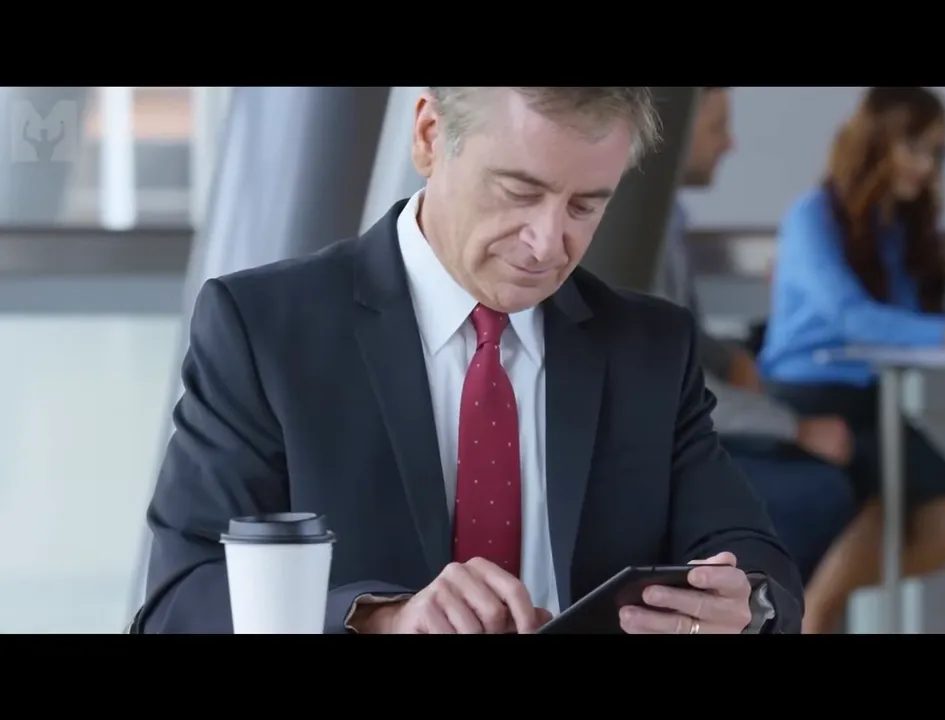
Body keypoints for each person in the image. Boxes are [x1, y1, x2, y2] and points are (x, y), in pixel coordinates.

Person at [136, 87, 803, 635]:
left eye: (584, 206)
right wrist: (380, 620)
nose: (549, 242)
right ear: (429, 135)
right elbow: (178, 603)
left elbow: (758, 565)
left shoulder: (649, 348)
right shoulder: (265, 330)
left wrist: (744, 605)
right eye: (519, 192)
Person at [759, 87, 945, 635]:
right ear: (876, 141)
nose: (927, 166)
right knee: (885, 499)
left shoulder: (896, 228)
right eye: (916, 147)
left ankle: (815, 605)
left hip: (869, 398)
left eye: (937, 154)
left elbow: (904, 320)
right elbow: (854, 317)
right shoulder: (812, 216)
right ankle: (815, 615)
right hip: (806, 393)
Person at [655, 87, 856, 585]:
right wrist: (792, 428)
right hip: (667, 445)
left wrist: (728, 358)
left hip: (701, 417)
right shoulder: (638, 231)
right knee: (822, 489)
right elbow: (666, 380)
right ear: (673, 130)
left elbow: (676, 334)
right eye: (718, 127)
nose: (731, 145)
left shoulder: (669, 219)